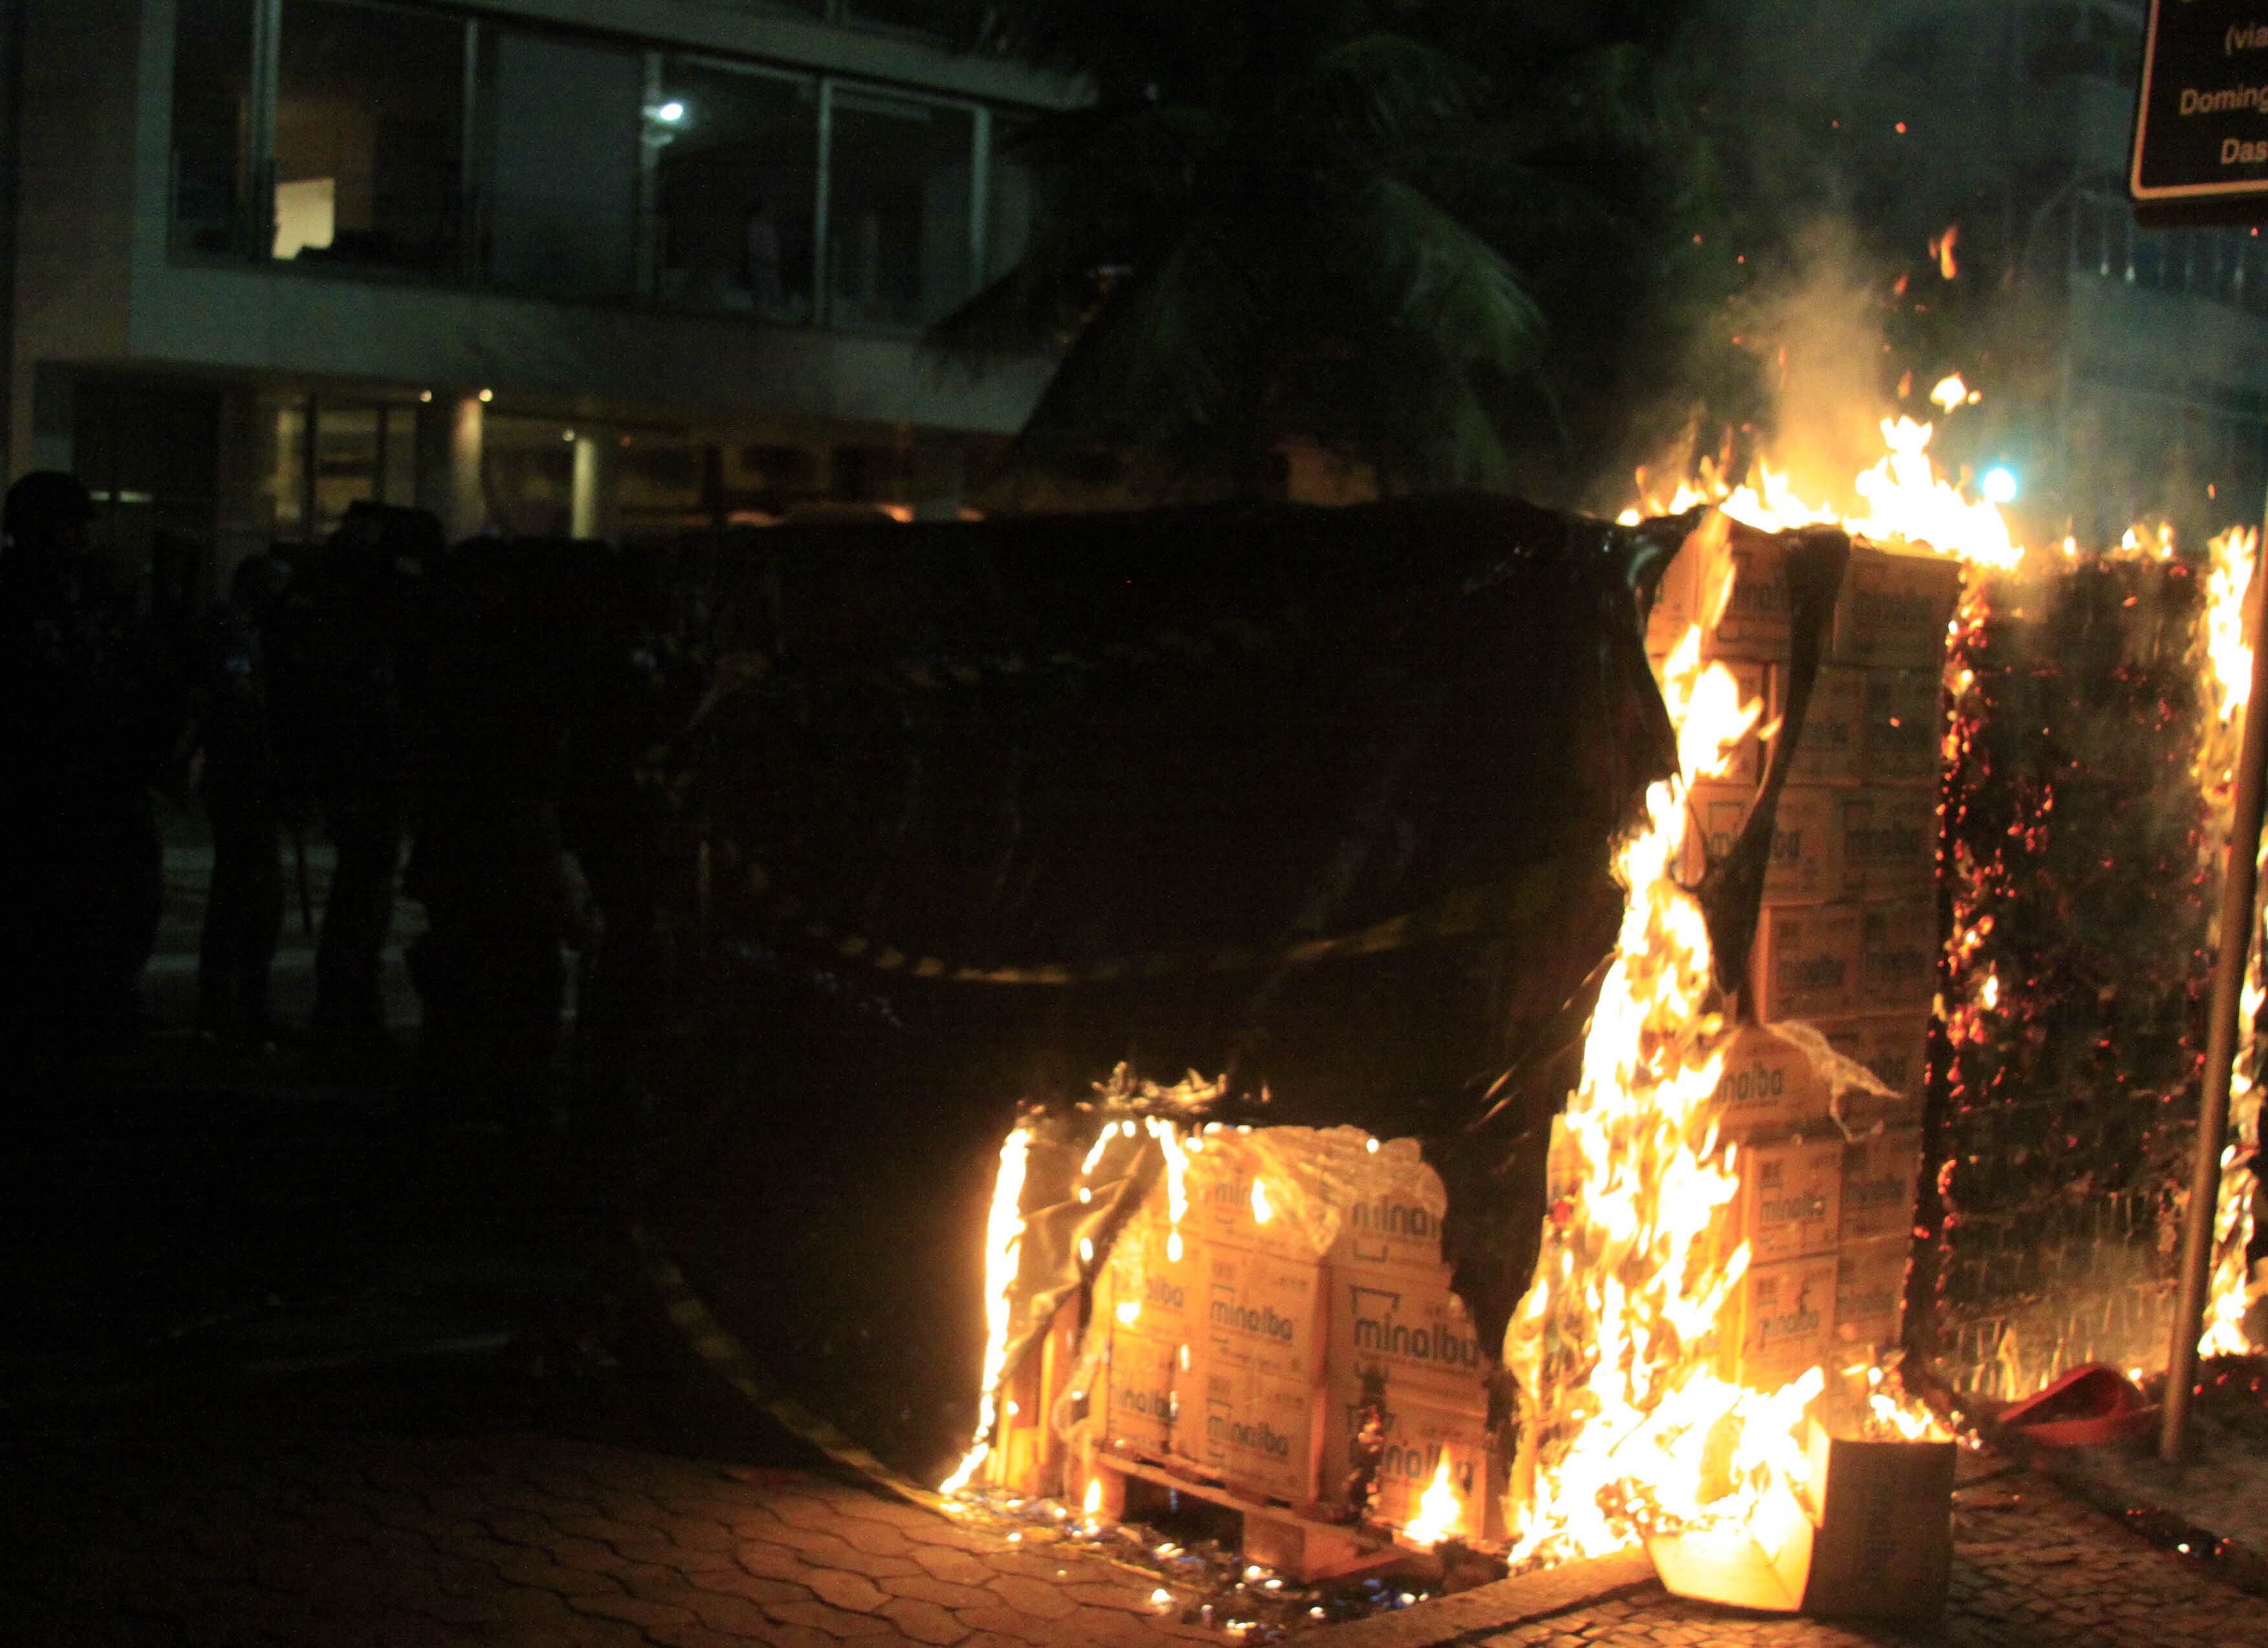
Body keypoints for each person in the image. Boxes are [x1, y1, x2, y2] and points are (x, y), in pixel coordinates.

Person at [0, 471, 169, 1047]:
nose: (79, 538)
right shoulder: (23, 595)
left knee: (108, 898)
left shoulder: (85, 594)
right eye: (69, 525)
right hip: (41, 783)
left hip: (88, 777)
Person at [268, 502, 437, 1072]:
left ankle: (346, 1015)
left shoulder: (344, 615)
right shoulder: (355, 623)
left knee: (363, 894)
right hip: (364, 771)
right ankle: (344, 1018)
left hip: (362, 771)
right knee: (361, 896)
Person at [188, 552, 295, 1050]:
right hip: (243, 783)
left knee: (249, 896)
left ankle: (238, 1005)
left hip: (245, 782)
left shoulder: (245, 632)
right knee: (244, 896)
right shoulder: (235, 634)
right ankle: (229, 1007)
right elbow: (241, 709)